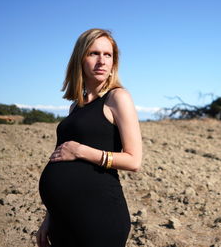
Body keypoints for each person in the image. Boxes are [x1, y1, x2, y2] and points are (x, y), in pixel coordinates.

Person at [37, 28, 143, 247]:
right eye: (94, 53)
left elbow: (134, 160)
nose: (102, 61)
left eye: (108, 55)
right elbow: (60, 158)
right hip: (63, 220)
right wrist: (50, 216)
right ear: (80, 58)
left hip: (99, 217)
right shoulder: (76, 106)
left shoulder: (117, 97)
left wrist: (81, 151)